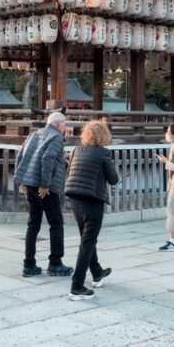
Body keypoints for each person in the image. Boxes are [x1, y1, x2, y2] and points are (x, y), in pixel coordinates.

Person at [14, 110, 72, 278]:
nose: (65, 128)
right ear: (59, 124)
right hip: (44, 187)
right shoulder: (55, 137)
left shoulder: (34, 134)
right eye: (65, 125)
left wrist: (21, 180)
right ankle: (55, 263)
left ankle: (29, 265)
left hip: (30, 184)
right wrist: (45, 185)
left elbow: (21, 155)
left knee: (33, 224)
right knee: (56, 223)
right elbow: (47, 159)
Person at [65, 119, 119, 300]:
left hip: (75, 198)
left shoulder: (76, 150)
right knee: (87, 242)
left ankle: (96, 272)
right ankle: (77, 286)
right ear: (104, 135)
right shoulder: (103, 153)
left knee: (87, 239)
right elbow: (113, 179)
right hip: (93, 201)